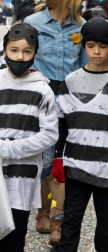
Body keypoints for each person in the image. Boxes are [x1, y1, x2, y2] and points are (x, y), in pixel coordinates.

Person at [0, 23, 59, 251]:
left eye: (27, 51)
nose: (20, 57)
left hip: (22, 180)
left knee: (14, 239)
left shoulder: (42, 90)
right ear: (4, 51)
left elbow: (50, 135)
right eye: (14, 50)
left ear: (35, 54)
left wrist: (10, 149)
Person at [23, 0, 91, 245]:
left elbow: (86, 67)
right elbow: (22, 58)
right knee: (45, 160)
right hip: (41, 95)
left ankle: (57, 219)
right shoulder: (34, 24)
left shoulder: (82, 26)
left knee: (63, 162)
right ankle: (41, 211)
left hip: (71, 97)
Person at [52, 16, 108, 252]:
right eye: (91, 45)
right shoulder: (71, 81)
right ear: (83, 45)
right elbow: (62, 124)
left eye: (103, 46)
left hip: (107, 168)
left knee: (106, 230)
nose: (96, 52)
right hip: (76, 166)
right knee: (71, 222)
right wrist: (57, 157)